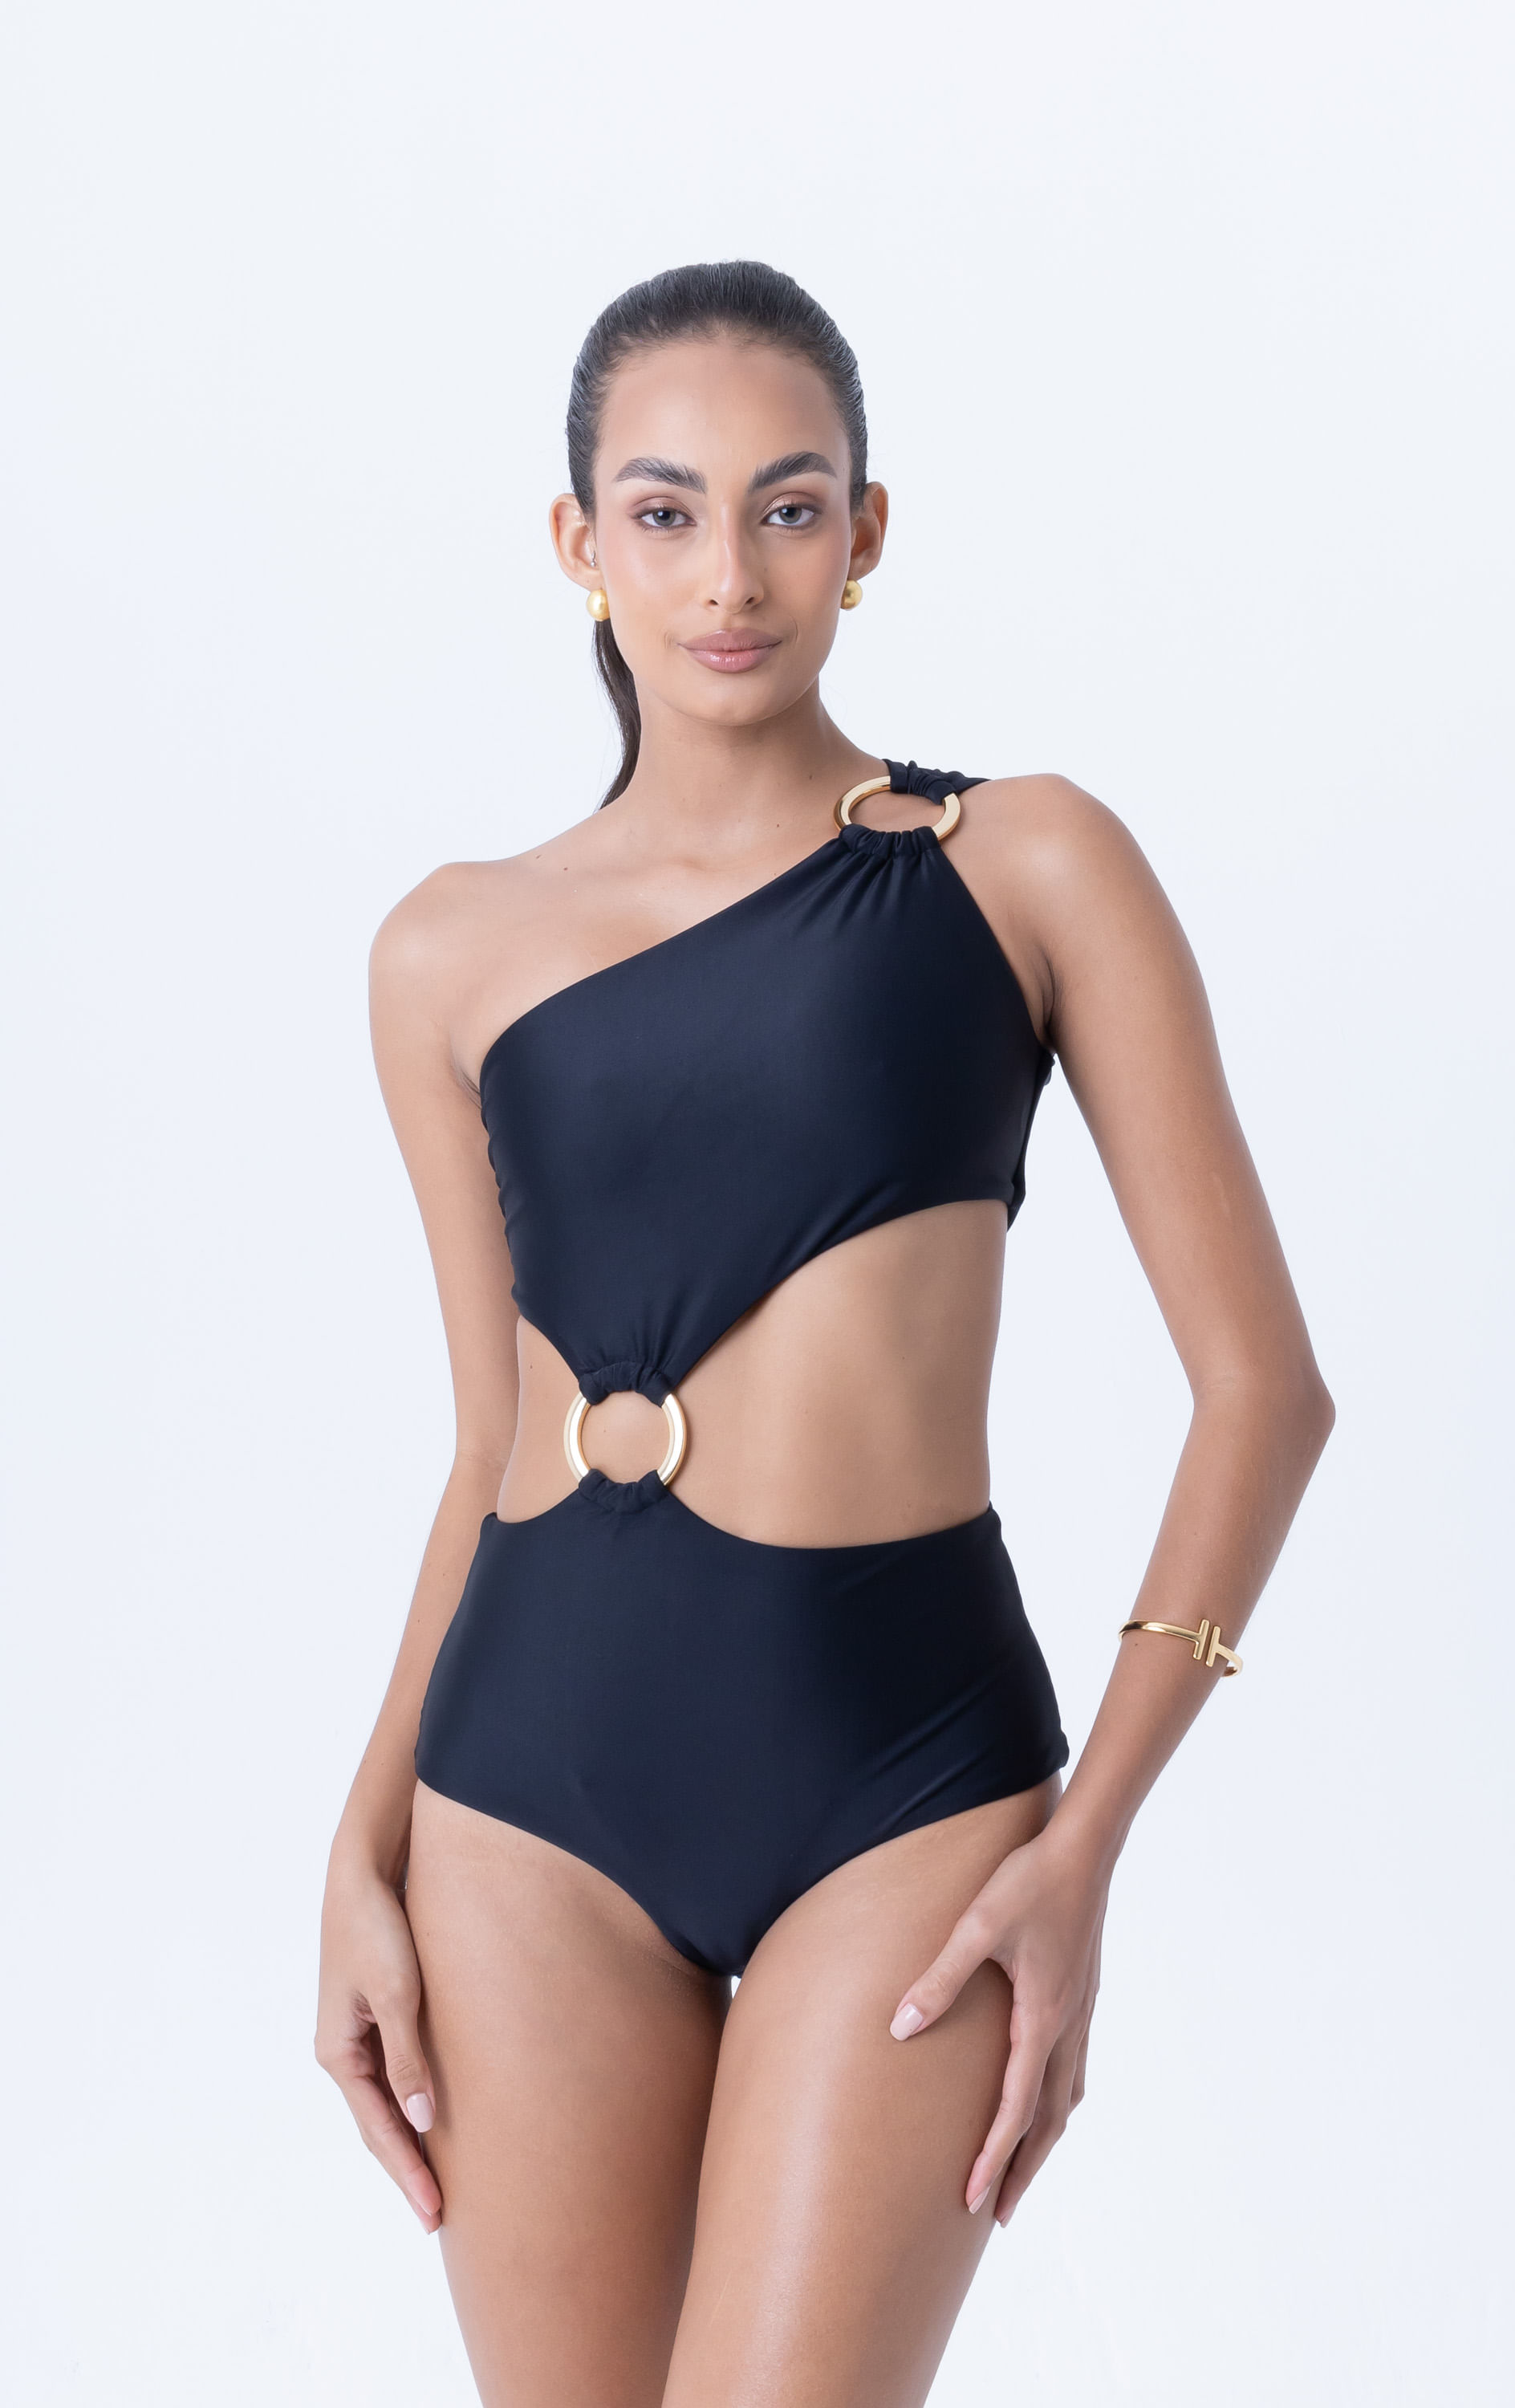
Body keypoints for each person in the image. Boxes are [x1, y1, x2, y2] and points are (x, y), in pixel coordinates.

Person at [315, 259, 1334, 2408]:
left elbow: (1264, 1392)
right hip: (525, 1797)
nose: (729, 576)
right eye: (665, 512)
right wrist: (360, 1841)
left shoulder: (1021, 863)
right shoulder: (445, 951)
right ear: (578, 542)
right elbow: (489, 1436)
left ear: (866, 532)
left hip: (909, 1785)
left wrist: (1088, 1846)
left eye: (788, 508)